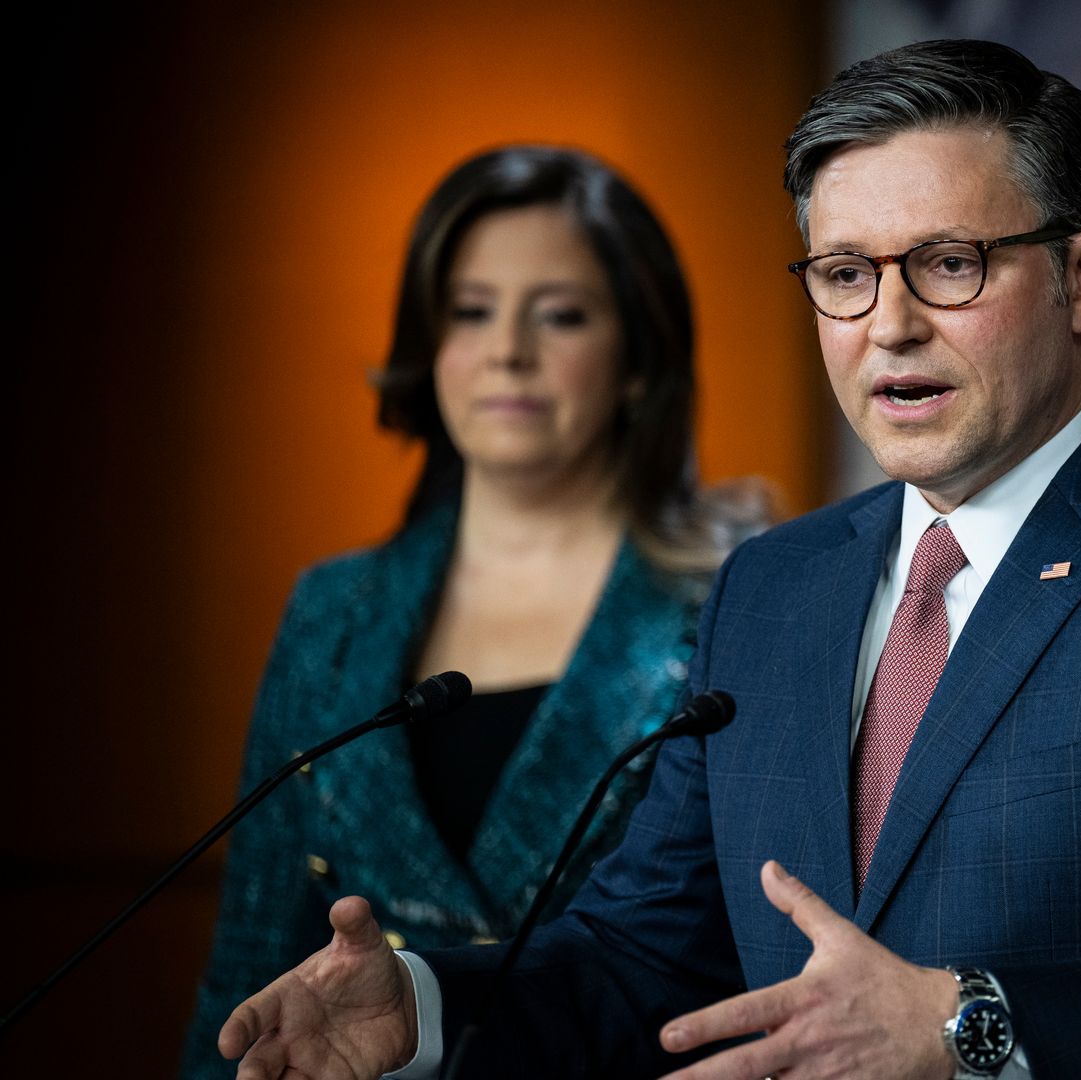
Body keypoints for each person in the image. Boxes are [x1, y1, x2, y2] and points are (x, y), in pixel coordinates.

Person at [210, 39, 1081, 1079]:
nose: (890, 324)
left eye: (950, 263)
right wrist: (417, 1007)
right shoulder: (773, 588)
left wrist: (958, 1027)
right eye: (845, 274)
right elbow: (639, 954)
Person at [181, 146, 754, 1079]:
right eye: (470, 311)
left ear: (640, 360)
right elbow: (249, 965)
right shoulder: (334, 613)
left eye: (560, 315)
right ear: (429, 343)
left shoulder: (738, 604)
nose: (507, 351)